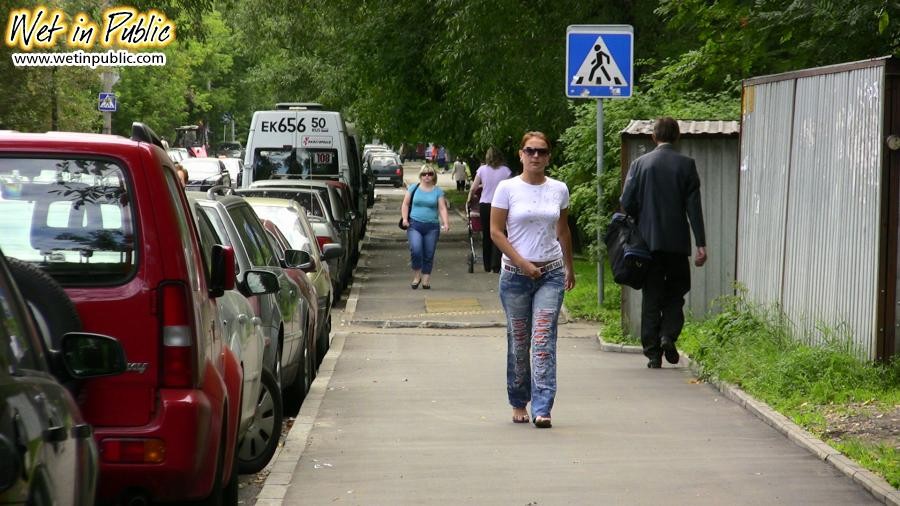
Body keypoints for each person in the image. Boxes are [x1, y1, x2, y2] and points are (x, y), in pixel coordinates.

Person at [490, 131, 575, 429]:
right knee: (520, 340)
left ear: (549, 156)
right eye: (530, 151)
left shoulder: (559, 189)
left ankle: (542, 407)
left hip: (550, 273)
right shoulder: (507, 188)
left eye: (541, 151)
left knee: (543, 339)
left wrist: (569, 267)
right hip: (515, 276)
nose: (536, 156)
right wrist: (522, 263)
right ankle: (518, 400)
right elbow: (496, 232)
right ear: (521, 154)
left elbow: (562, 229)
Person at [620, 117, 707, 369]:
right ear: (678, 136)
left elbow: (627, 201)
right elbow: (694, 208)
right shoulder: (687, 165)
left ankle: (652, 353)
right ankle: (668, 334)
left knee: (652, 296)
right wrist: (700, 243)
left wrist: (640, 219)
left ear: (653, 137)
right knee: (676, 292)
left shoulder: (639, 164)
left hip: (646, 245)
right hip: (677, 244)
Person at [400, 165, 450, 290]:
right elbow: (405, 204)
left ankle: (426, 278)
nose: (427, 176)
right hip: (414, 225)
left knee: (429, 252)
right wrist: (405, 219)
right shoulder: (413, 188)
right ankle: (417, 276)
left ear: (434, 176)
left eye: (430, 174)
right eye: (424, 174)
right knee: (416, 249)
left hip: (432, 226)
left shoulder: (437, 191)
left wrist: (446, 223)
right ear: (420, 176)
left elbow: (442, 208)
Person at [468, 147, 511, 272]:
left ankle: (487, 265)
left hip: (485, 205)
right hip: (501, 205)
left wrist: (469, 200)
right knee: (500, 233)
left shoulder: (482, 170)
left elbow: (474, 188)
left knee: (487, 234)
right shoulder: (506, 171)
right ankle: (496, 264)